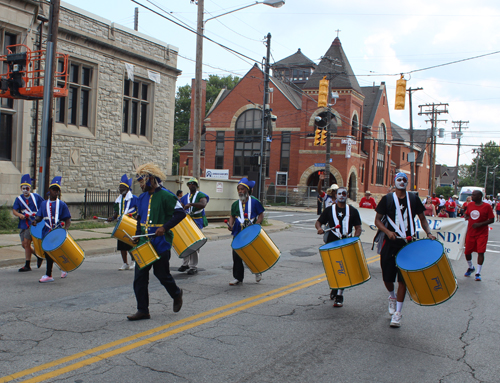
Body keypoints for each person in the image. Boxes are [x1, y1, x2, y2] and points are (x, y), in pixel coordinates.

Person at [375, 172, 436, 328]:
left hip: (407, 244)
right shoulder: (387, 199)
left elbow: (422, 218)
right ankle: (392, 297)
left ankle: (398, 313)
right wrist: (388, 232)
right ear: (394, 181)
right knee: (387, 278)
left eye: (404, 180)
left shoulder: (413, 199)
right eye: (399, 179)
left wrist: (428, 232)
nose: (402, 182)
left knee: (403, 279)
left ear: (407, 182)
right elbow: (377, 220)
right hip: (390, 243)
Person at [127, 163, 185, 321]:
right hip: (144, 242)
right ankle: (143, 310)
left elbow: (181, 214)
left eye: (142, 181)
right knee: (139, 277)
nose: (140, 184)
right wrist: (137, 235)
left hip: (161, 243)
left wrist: (165, 227)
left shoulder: (167, 196)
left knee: (162, 275)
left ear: (151, 179)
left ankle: (176, 293)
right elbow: (140, 220)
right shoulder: (142, 197)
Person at [315, 186, 362, 307]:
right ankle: (335, 287)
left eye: (344, 193)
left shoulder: (353, 211)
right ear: (336, 195)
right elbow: (319, 221)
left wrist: (355, 239)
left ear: (347, 195)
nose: (341, 195)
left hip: (347, 242)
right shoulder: (329, 210)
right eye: (339, 193)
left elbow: (358, 228)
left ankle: (340, 295)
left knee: (344, 268)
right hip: (332, 243)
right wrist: (319, 228)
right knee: (334, 267)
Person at [33, 177, 72, 283]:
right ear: (49, 191)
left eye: (57, 190)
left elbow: (67, 219)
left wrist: (65, 230)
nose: (55, 192)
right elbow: (39, 216)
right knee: (48, 253)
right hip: (46, 232)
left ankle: (55, 271)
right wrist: (35, 221)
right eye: (53, 189)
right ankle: (51, 273)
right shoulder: (43, 204)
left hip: (57, 230)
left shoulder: (62, 204)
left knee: (57, 251)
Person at [227, 178, 265, 285]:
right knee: (237, 255)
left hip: (250, 232)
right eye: (238, 189)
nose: (240, 191)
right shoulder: (235, 204)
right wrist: (230, 224)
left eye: (242, 189)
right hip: (238, 232)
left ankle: (257, 271)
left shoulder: (255, 202)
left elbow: (261, 214)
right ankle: (238, 278)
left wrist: (257, 224)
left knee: (251, 254)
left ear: (247, 190)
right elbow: (232, 216)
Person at [12, 174, 45, 272]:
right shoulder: (18, 199)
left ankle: (27, 264)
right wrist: (19, 215)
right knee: (24, 244)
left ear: (30, 188)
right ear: (21, 188)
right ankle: (38, 256)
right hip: (23, 223)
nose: (25, 190)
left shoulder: (36, 197)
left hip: (33, 223)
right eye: (23, 188)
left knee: (26, 242)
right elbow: (14, 210)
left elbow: (44, 205)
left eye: (27, 188)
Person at [178, 177, 209, 275]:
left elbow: (203, 204)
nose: (191, 185)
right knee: (186, 243)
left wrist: (191, 204)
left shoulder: (201, 195)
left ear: (196, 185)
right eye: (190, 184)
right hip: (186, 223)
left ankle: (193, 266)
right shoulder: (185, 197)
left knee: (195, 244)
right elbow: (181, 206)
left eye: (193, 184)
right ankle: (185, 264)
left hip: (197, 222)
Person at [107, 174, 138, 271]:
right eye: (120, 187)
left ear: (127, 188)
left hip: (130, 224)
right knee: (122, 246)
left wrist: (136, 217)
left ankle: (133, 261)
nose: (120, 189)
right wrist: (112, 218)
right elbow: (116, 213)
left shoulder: (134, 198)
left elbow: (139, 210)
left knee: (130, 244)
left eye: (122, 187)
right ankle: (125, 263)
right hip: (121, 224)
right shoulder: (118, 200)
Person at [463, 190, 494, 282]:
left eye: (474, 195)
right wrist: (465, 215)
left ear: (480, 196)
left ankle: (478, 272)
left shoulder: (487, 206)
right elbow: (467, 214)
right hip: (471, 233)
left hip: (482, 233)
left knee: (481, 252)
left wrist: (479, 224)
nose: (472, 197)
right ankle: (470, 267)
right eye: (472, 195)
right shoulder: (470, 205)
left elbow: (492, 219)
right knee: (467, 252)